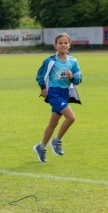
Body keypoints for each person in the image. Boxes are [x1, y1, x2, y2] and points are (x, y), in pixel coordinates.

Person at [33, 33, 82, 162]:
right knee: (71, 118)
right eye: (60, 43)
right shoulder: (50, 61)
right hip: (54, 93)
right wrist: (43, 88)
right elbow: (40, 76)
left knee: (53, 123)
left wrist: (72, 77)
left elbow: (79, 79)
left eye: (65, 43)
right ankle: (56, 141)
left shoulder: (73, 61)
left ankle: (41, 147)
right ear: (55, 45)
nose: (63, 45)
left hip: (65, 93)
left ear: (69, 45)